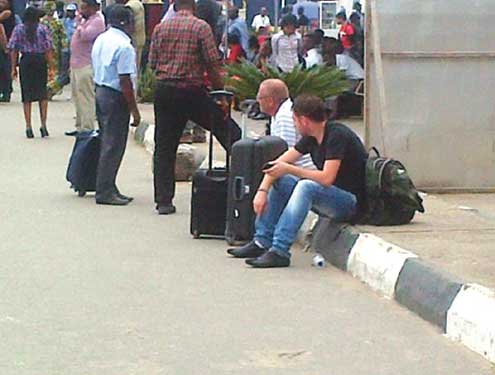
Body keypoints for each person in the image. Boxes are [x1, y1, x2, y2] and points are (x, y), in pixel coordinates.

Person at [228, 95, 368, 268]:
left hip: (350, 202)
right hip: (329, 195)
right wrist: (262, 191)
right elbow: (279, 163)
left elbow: (326, 177)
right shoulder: (311, 137)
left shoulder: (336, 135)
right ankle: (261, 241)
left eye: (294, 120)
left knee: (306, 186)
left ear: (303, 120)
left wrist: (290, 169)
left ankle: (279, 250)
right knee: (282, 180)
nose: (294, 124)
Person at [148, 0, 241, 215]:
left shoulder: (161, 28)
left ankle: (163, 201)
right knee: (226, 129)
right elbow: (212, 63)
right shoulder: (201, 27)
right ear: (193, 6)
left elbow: (152, 62)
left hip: (165, 90)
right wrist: (221, 94)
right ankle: (246, 174)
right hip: (191, 90)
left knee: (164, 146)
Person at [91, 4, 140, 206]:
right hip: (115, 97)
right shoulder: (124, 47)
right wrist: (134, 111)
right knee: (114, 145)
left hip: (101, 91)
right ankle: (105, 190)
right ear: (125, 22)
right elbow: (125, 82)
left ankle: (109, 185)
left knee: (107, 141)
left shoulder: (102, 38)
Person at [8, 6, 53, 138]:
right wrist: (51, 67)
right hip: (40, 61)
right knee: (42, 95)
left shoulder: (18, 29)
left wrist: (13, 68)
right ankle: (43, 125)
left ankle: (28, 126)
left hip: (26, 61)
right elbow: (48, 49)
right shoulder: (43, 29)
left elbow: (13, 49)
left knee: (26, 95)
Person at [65, 0, 105, 136]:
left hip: (86, 64)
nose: (81, 10)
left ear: (93, 8)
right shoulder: (85, 20)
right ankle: (80, 126)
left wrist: (79, 23)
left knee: (86, 97)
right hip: (76, 64)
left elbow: (85, 36)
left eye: (84, 7)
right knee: (77, 97)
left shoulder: (97, 21)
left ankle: (87, 128)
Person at [41, 0, 68, 98]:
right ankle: (50, 90)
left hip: (42, 50)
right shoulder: (57, 23)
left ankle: (46, 89)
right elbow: (64, 38)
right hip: (55, 51)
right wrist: (65, 49)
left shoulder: (40, 22)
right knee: (54, 71)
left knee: (45, 70)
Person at [0, 0, 15, 101]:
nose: (1, 4)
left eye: (3, 2)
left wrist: (5, 47)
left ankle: (6, 92)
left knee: (5, 69)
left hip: (6, 46)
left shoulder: (7, 13)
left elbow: (2, 34)